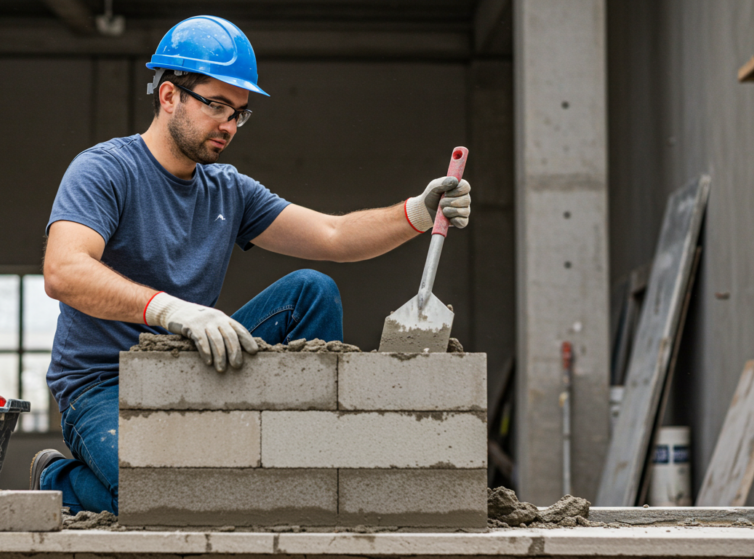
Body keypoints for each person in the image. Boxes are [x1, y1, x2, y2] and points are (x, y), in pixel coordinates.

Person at [29, 15, 472, 515]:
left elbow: (334, 236)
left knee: (312, 289)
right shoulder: (105, 170)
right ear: (169, 96)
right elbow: (64, 271)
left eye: (239, 113)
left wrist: (418, 211)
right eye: (216, 105)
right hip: (104, 387)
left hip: (191, 367)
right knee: (168, 495)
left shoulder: (228, 189)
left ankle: (305, 458)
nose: (228, 125)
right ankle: (58, 477)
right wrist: (171, 310)